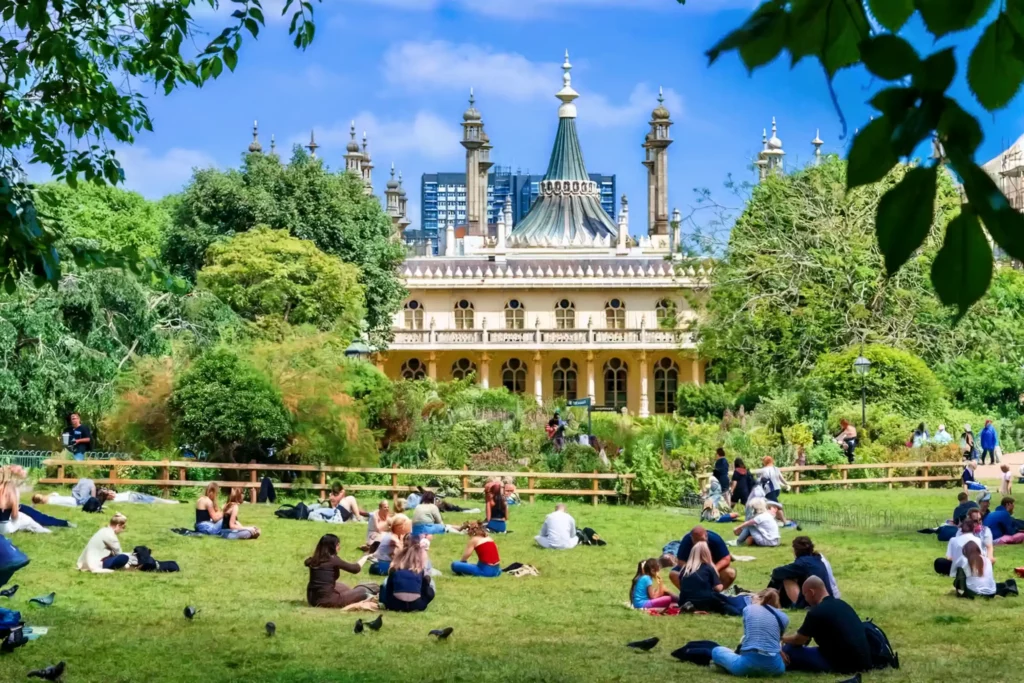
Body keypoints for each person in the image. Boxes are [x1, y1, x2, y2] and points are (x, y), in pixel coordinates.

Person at [781, 576, 872, 675]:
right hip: (864, 662)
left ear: (811, 592)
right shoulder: (842, 604)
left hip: (842, 665)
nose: (805, 599)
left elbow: (799, 640)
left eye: (805, 595)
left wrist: (782, 638)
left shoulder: (816, 612)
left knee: (788, 650)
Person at [710, 588, 788, 677]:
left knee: (716, 651)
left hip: (746, 666)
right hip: (776, 669)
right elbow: (777, 640)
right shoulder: (783, 617)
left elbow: (747, 637)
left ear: (758, 597)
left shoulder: (749, 609)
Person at [304, 534, 376, 608]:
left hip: (312, 600)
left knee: (341, 586)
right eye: (337, 545)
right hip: (328, 601)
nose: (339, 547)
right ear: (332, 546)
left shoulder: (314, 560)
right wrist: (366, 557)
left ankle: (351, 595)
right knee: (363, 590)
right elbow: (355, 569)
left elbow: (306, 562)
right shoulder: (333, 559)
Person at [768, 536, 838, 609]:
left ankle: (796, 604)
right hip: (828, 596)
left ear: (795, 550)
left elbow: (778, 572)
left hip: (813, 601)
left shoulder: (802, 563)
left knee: (787, 578)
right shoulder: (817, 558)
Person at [380, 534, 435, 612]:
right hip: (417, 605)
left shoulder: (395, 568)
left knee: (384, 585)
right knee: (430, 584)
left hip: (395, 605)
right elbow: (425, 590)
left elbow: (388, 590)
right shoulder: (420, 570)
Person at [673, 525, 736, 590]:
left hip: (714, 567)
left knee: (730, 573)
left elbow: (726, 559)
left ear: (706, 536)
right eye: (697, 541)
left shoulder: (715, 539)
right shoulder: (686, 540)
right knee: (673, 574)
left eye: (702, 540)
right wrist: (693, 572)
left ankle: (718, 594)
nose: (700, 544)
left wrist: (714, 570)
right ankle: (689, 593)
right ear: (692, 538)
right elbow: (680, 561)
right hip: (693, 569)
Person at [953, 540, 1017, 598]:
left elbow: (959, 579)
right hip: (992, 593)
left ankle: (961, 593)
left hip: (976, 593)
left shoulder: (965, 562)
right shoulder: (987, 560)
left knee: (959, 573)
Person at [675, 541, 725, 612]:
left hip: (685, 602)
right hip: (705, 603)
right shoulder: (708, 567)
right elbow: (718, 588)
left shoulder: (684, 569)